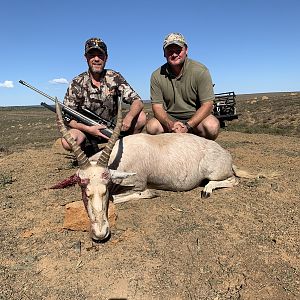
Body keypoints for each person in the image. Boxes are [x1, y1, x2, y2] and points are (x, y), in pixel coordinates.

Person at [62, 37, 146, 155]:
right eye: (92, 55)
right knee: (67, 141)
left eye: (100, 55)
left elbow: (138, 101)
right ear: (86, 58)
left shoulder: (114, 77)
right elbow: (68, 118)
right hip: (87, 130)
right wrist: (89, 129)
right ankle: (87, 152)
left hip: (112, 127)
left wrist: (128, 118)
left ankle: (129, 151)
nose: (96, 59)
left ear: (106, 58)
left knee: (141, 117)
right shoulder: (77, 82)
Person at [146, 32, 220, 140]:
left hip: (196, 118)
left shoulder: (200, 71)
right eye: (170, 51)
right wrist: (170, 124)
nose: (174, 54)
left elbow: (207, 105)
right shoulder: (156, 75)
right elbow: (157, 107)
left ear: (186, 50)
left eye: (178, 50)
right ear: (164, 53)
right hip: (171, 119)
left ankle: (202, 150)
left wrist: (188, 126)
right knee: (152, 127)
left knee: (211, 126)